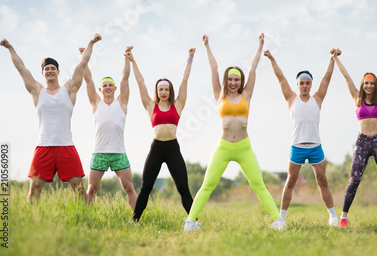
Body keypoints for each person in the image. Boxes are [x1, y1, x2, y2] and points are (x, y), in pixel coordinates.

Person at [183, 34, 284, 232]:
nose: (233, 82)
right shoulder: (219, 95)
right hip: (223, 147)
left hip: (244, 148)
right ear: (225, 80)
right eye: (230, 79)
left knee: (258, 184)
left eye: (236, 79)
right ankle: (190, 221)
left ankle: (278, 220)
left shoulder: (246, 94)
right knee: (208, 184)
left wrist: (260, 45)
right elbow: (213, 68)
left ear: (241, 81)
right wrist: (207, 46)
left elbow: (253, 68)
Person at [0, 34, 102, 204]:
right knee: (34, 189)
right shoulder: (37, 91)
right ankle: (33, 222)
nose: (50, 71)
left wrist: (91, 43)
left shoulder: (68, 90)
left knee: (78, 188)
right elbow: (21, 68)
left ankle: (84, 221)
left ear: (58, 71)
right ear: (43, 73)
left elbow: (82, 64)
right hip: (43, 146)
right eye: (46, 69)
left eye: (52, 68)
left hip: (66, 146)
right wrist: (10, 47)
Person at [263, 49, 339, 228]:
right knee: (290, 181)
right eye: (301, 83)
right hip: (297, 146)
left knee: (322, 180)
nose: (305, 86)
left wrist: (332, 59)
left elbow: (327, 78)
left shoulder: (318, 98)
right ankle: (281, 219)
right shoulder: (291, 98)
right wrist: (272, 58)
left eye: (307, 83)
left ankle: (333, 218)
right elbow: (280, 77)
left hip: (315, 146)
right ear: (297, 85)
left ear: (311, 85)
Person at [332, 48, 377, 227]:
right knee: (354, 179)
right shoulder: (357, 97)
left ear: (375, 84)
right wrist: (335, 58)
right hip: (362, 141)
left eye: (371, 83)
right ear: (362, 85)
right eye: (366, 83)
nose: (369, 86)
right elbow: (347, 77)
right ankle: (343, 217)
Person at [125, 47, 196, 223]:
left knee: (183, 188)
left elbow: (184, 81)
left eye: (166, 89)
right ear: (157, 92)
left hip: (173, 149)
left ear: (170, 91)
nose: (163, 92)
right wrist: (133, 61)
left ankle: (194, 221)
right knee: (146, 187)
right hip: (156, 149)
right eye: (160, 89)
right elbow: (140, 83)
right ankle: (135, 221)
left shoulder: (177, 105)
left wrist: (190, 58)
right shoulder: (151, 106)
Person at [80, 46, 137, 210]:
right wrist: (84, 57)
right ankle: (87, 217)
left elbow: (125, 78)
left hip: (119, 153)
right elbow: (88, 80)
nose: (107, 87)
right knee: (92, 189)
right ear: (100, 89)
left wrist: (126, 58)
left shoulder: (122, 103)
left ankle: (136, 219)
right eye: (104, 85)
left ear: (114, 88)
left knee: (129, 188)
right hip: (100, 152)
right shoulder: (95, 103)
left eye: (110, 85)